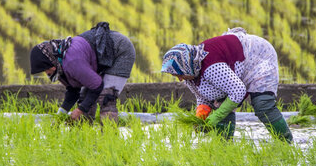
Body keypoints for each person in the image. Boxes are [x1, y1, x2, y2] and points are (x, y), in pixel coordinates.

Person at [161, 27, 292, 142]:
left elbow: (238, 91)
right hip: (237, 65)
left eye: (178, 74)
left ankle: (287, 143)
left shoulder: (211, 67)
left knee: (263, 104)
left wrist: (215, 117)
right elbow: (203, 97)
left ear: (185, 66)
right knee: (220, 102)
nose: (179, 79)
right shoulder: (191, 74)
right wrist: (201, 118)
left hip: (258, 57)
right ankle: (224, 147)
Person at [29, 22, 135, 121]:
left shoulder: (71, 62)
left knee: (107, 97)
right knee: (84, 97)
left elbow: (97, 85)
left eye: (46, 68)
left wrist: (80, 110)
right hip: (102, 55)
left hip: (120, 50)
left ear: (51, 61)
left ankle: (109, 136)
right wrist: (60, 116)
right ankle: (85, 136)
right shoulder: (59, 64)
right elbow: (73, 91)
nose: (47, 73)